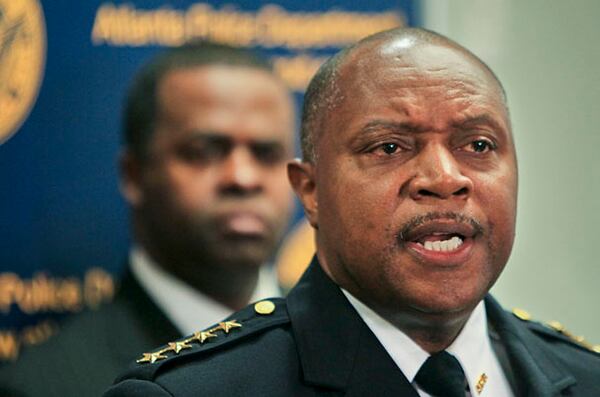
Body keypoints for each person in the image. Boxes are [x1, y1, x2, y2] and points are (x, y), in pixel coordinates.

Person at [104, 28, 600, 397]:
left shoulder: (586, 377)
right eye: (388, 147)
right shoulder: (191, 393)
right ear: (311, 190)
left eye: (478, 143)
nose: (446, 178)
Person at [0, 42, 295, 397]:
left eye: (267, 154)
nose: (243, 178)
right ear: (134, 175)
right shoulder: (45, 387)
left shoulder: (349, 336)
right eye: (203, 151)